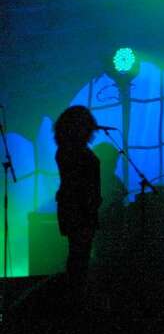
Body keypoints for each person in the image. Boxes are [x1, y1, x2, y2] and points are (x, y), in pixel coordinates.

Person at [53, 105, 103, 302]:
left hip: (78, 207)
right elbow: (76, 182)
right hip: (77, 208)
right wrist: (91, 201)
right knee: (79, 255)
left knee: (79, 254)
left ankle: (76, 296)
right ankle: (75, 299)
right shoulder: (70, 151)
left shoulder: (69, 150)